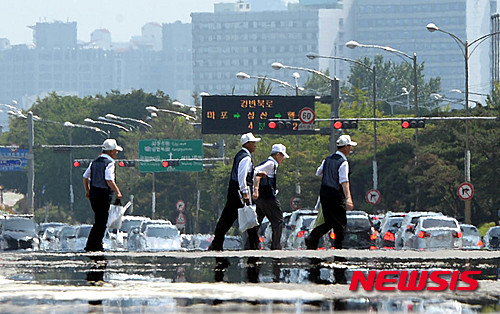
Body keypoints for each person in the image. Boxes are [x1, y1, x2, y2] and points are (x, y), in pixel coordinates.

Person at [208, 132, 261, 251]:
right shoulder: (245, 158)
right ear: (247, 144)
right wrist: (244, 193)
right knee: (234, 218)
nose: (255, 145)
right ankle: (217, 244)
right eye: (253, 143)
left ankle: (254, 245)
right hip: (239, 193)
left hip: (235, 192)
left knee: (247, 218)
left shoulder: (240, 155)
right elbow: (241, 176)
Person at [305, 135, 356, 250]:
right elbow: (344, 181)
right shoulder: (343, 162)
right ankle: (338, 247)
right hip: (335, 194)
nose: (350, 149)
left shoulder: (327, 159)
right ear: (346, 147)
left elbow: (319, 173)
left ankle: (313, 237)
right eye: (349, 146)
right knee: (340, 223)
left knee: (329, 222)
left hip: (324, 193)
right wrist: (348, 198)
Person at [82, 138, 123, 252]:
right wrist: (117, 192)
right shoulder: (110, 163)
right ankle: (94, 245)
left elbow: (85, 177)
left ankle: (94, 243)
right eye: (115, 151)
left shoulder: (94, 162)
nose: (116, 153)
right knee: (102, 221)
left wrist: (88, 190)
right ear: (110, 151)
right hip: (103, 194)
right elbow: (109, 179)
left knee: (98, 220)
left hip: (94, 195)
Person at [248, 144, 289, 250]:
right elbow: (256, 171)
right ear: (278, 155)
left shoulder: (272, 164)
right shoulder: (271, 163)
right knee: (278, 220)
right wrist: (255, 189)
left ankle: (251, 244)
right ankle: (276, 246)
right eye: (282, 156)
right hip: (268, 197)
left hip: (262, 198)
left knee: (257, 221)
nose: (283, 159)